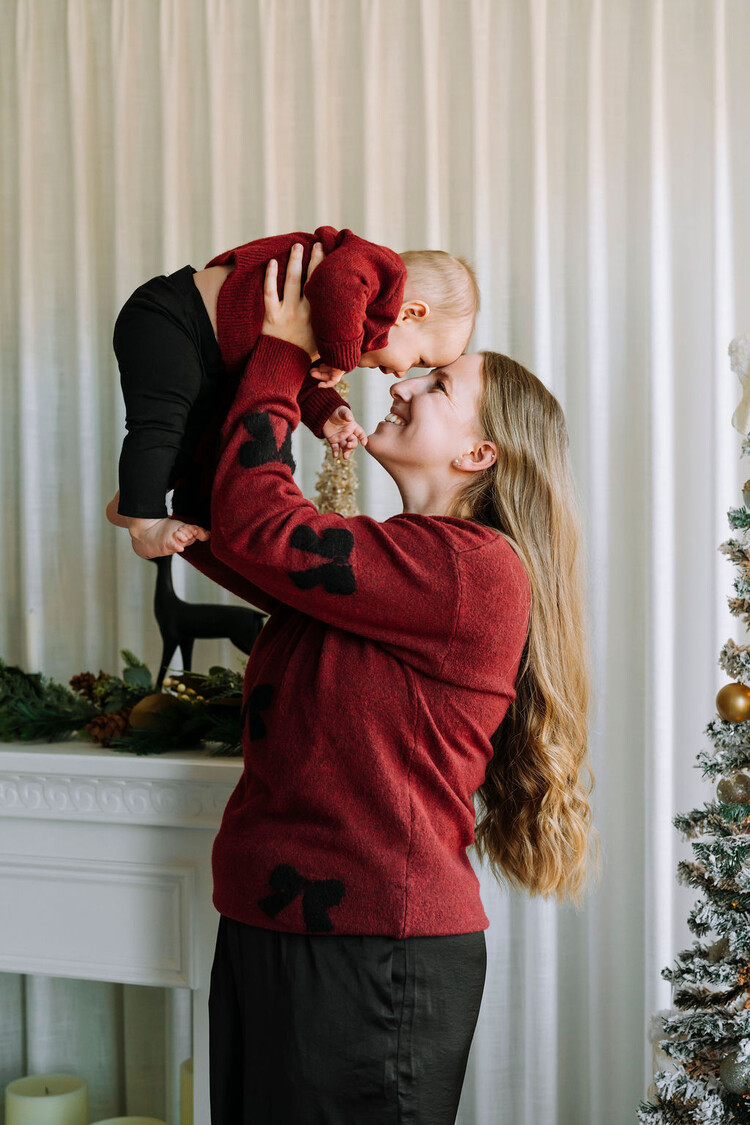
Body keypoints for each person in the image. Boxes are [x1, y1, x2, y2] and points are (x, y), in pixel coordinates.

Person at [176, 242, 599, 1124]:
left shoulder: (474, 571)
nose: (399, 382)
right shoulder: (395, 566)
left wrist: (288, 351)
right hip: (276, 924)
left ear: (482, 453)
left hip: (373, 952)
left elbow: (258, 527)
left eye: (436, 386)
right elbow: (236, 528)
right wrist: (166, 498)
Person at [105, 226, 479, 559]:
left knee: (201, 434)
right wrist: (340, 358)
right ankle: (144, 524)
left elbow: (291, 367)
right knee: (162, 424)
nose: (400, 374)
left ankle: (135, 495)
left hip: (210, 359)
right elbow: (335, 280)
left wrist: (327, 412)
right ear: (410, 313)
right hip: (172, 319)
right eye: (418, 360)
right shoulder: (374, 270)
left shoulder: (334, 324)